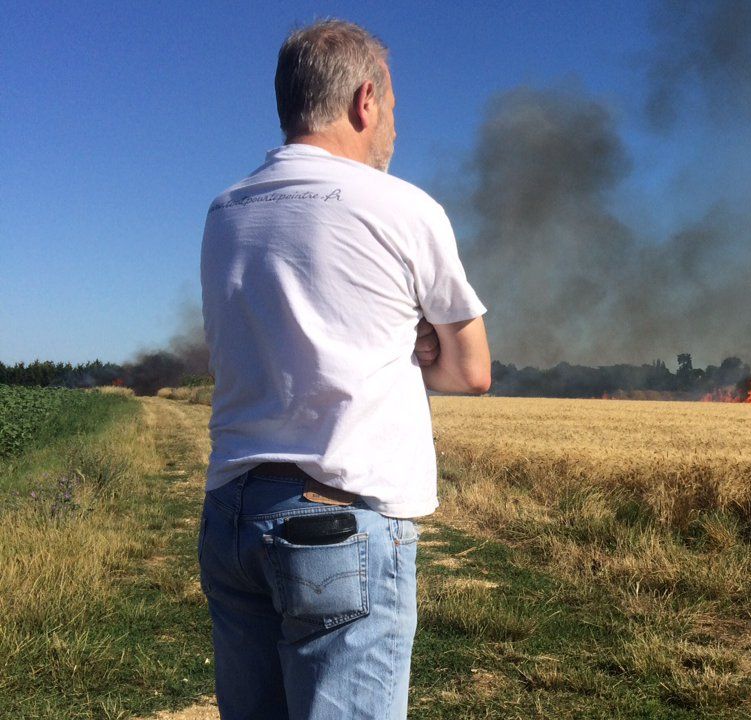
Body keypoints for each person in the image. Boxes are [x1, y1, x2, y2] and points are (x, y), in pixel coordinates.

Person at [197, 18, 490, 720]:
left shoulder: (226, 210)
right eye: (391, 109)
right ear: (365, 100)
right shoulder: (403, 207)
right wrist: (419, 346)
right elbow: (471, 370)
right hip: (337, 527)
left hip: (232, 515)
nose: (392, 126)